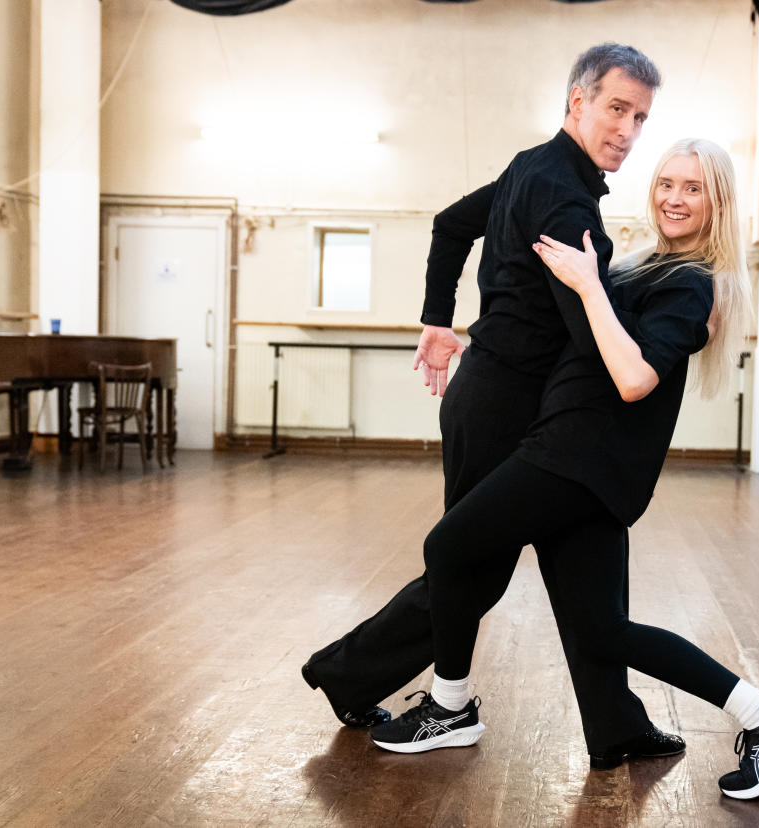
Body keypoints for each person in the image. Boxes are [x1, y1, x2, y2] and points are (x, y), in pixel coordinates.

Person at [369, 139, 759, 801]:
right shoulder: (648, 264)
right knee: (601, 631)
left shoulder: (694, 285)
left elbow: (635, 377)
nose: (673, 197)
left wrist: (587, 286)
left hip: (577, 460)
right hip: (580, 459)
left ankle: (453, 704)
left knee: (449, 545)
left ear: (717, 202)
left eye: (693, 188)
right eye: (667, 182)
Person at [301, 42, 686, 770]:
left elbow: (451, 223)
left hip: (506, 397)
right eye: (615, 108)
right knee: (473, 567)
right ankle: (355, 676)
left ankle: (616, 725)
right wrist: (651, 356)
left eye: (640, 116)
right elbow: (587, 337)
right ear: (576, 101)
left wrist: (436, 318)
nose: (628, 130)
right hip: (505, 406)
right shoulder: (565, 197)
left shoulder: (530, 168)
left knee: (586, 554)